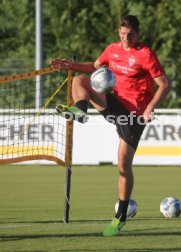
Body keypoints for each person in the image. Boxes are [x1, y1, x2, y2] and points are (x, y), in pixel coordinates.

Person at [50, 15, 171, 236]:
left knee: (123, 167)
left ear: (138, 34)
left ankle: (121, 215)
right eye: (123, 34)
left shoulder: (145, 55)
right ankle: (80, 111)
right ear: (119, 32)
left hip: (134, 116)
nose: (126, 38)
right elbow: (94, 66)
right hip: (113, 103)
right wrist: (72, 65)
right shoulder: (112, 50)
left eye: (131, 35)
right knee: (78, 80)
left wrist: (150, 108)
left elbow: (164, 84)